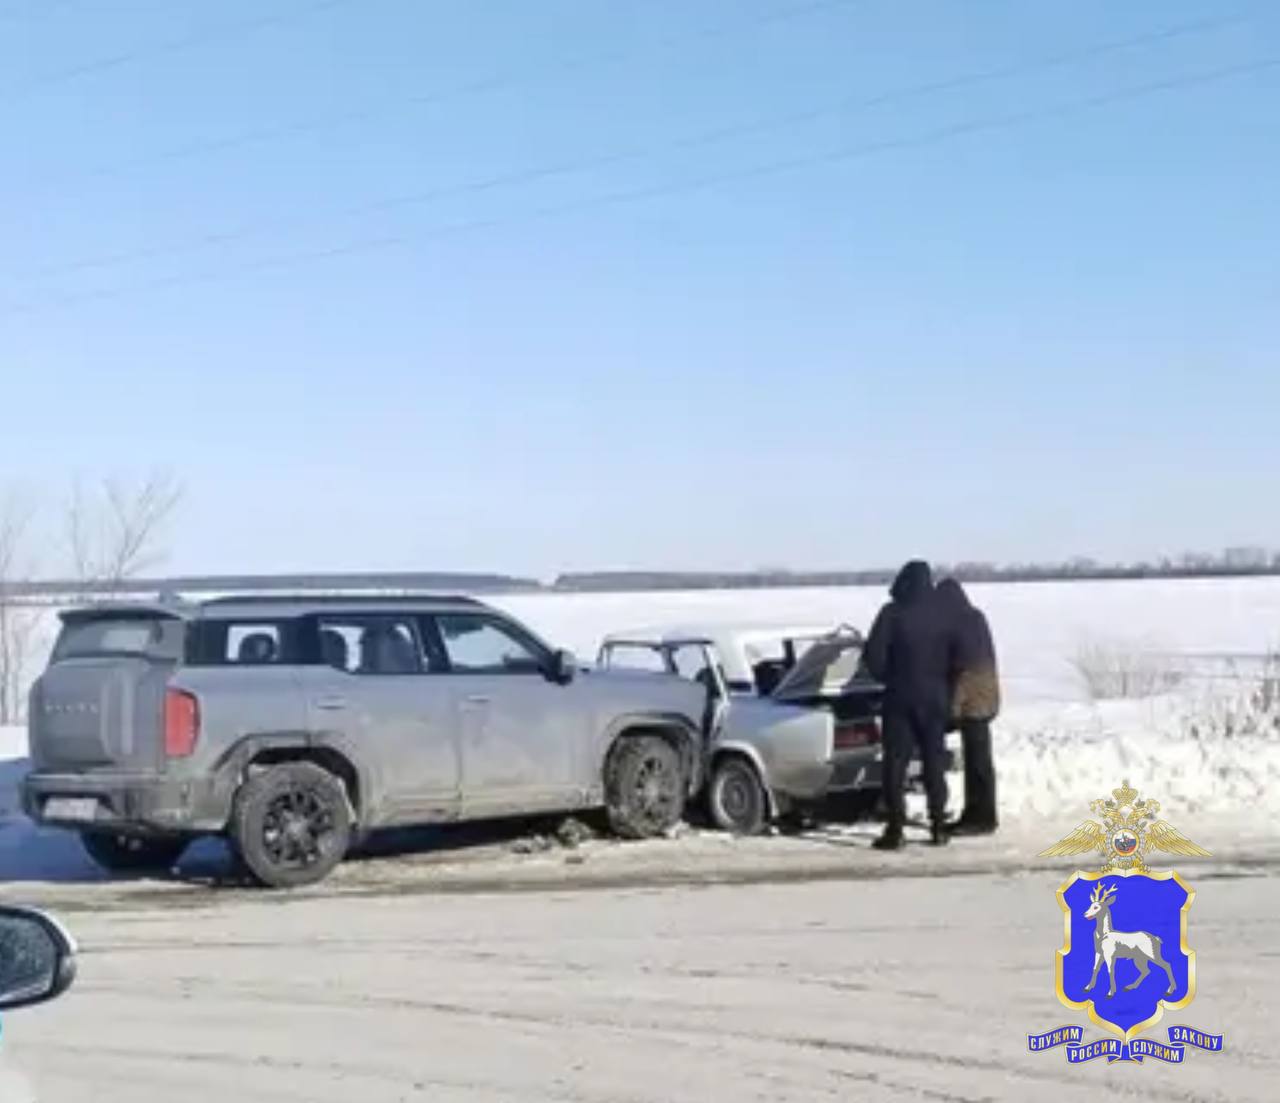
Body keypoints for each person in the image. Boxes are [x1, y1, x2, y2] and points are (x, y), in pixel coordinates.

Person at [862, 560, 953, 850]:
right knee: (934, 761)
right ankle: (938, 825)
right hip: (936, 697)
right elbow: (955, 655)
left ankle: (895, 828)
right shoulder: (943, 615)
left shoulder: (892, 613)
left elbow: (873, 656)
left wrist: (889, 676)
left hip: (900, 696)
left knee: (896, 763)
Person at [936, 578, 1001, 835]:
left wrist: (951, 708)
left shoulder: (955, 622)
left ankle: (980, 817)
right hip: (986, 693)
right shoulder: (976, 617)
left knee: (977, 761)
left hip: (971, 697)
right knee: (980, 759)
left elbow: (956, 665)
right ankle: (981, 814)